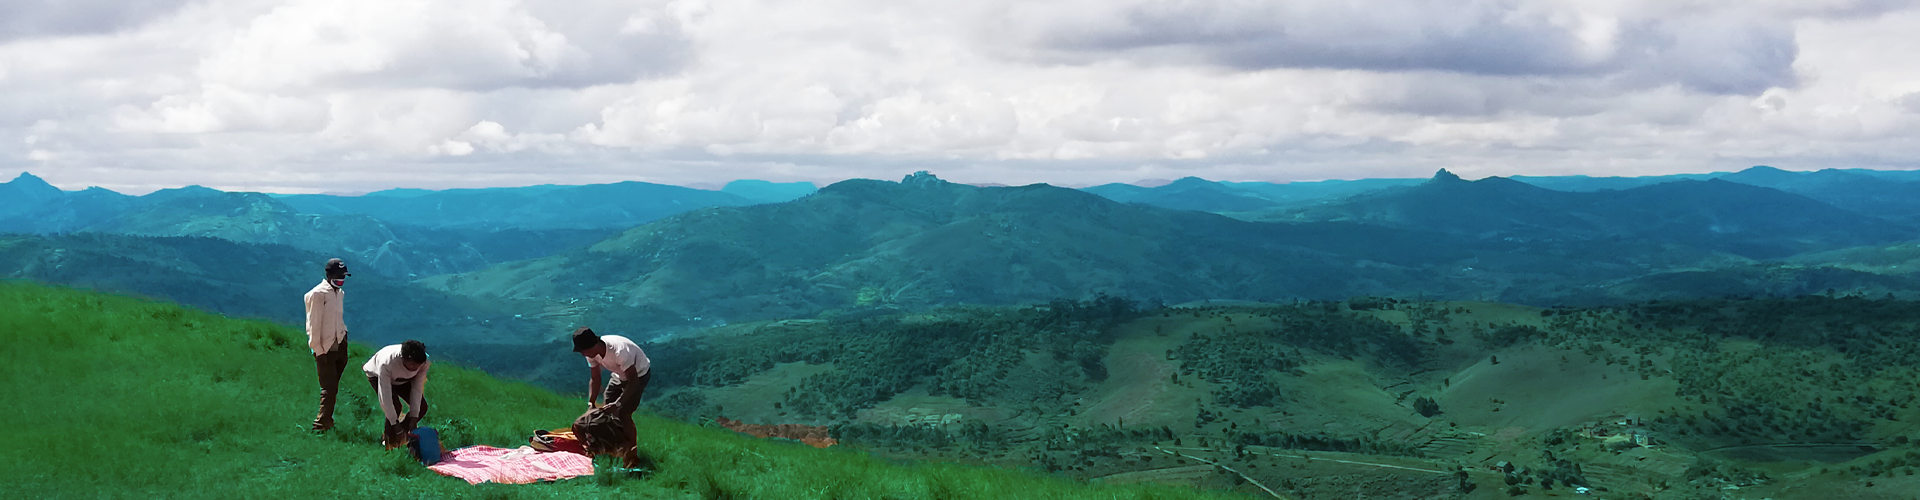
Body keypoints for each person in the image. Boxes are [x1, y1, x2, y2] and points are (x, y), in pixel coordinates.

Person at [573, 327, 650, 454]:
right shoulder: (591, 354)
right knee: (606, 411)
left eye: (584, 351)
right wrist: (591, 403)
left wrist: (618, 404)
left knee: (623, 413)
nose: (583, 354)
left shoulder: (619, 352)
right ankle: (612, 445)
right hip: (618, 375)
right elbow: (595, 378)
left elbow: (633, 381)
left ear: (593, 345)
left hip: (639, 375)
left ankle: (631, 451)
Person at [305, 258, 350, 432]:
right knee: (328, 388)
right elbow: (313, 326)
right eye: (338, 275)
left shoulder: (340, 293)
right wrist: (319, 351)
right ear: (329, 274)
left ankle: (328, 420)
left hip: (340, 343)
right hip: (326, 347)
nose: (341, 279)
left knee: (333, 387)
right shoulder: (317, 294)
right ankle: (320, 425)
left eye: (344, 276)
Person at [364, 340, 432, 448]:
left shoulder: (423, 363)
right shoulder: (387, 363)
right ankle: (389, 442)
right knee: (395, 406)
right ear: (404, 359)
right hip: (377, 375)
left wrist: (414, 418)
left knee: (422, 407)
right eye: (413, 365)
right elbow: (385, 396)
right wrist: (394, 423)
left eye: (418, 366)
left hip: (403, 380)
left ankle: (401, 436)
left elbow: (417, 389)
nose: (416, 368)